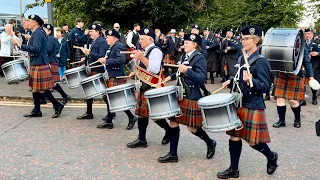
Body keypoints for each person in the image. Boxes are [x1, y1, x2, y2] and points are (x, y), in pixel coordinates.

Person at [217, 25, 278, 179]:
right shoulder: (240, 57)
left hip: (252, 104)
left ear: (256, 40)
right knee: (234, 136)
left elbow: (265, 87)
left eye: (246, 39)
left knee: (253, 142)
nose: (242, 41)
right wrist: (230, 81)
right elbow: (238, 76)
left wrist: (252, 81)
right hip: (238, 102)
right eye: (242, 38)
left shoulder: (261, 61)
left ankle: (271, 157)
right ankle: (234, 169)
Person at [158, 33, 217, 163]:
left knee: (193, 128)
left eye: (186, 43)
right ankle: (173, 154)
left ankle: (210, 142)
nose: (184, 44)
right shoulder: (185, 56)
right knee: (173, 122)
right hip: (180, 94)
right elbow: (180, 71)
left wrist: (187, 71)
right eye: (184, 42)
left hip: (191, 95)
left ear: (194, 45)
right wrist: (171, 77)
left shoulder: (199, 58)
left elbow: (201, 78)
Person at [127, 28, 171, 148]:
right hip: (144, 86)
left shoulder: (155, 51)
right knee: (142, 114)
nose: (140, 41)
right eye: (140, 39)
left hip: (152, 87)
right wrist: (135, 72)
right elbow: (144, 68)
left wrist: (141, 58)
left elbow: (154, 69)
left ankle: (169, 131)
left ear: (150, 39)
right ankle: (142, 139)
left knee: (156, 116)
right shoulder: (145, 50)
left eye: (142, 39)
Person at [15, 14, 64, 118]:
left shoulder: (37, 33)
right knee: (35, 88)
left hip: (39, 62)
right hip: (37, 62)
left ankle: (57, 105)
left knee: (42, 88)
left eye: (29, 20)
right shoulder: (38, 32)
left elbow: (36, 49)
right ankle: (37, 110)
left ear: (35, 22)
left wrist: (20, 45)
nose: (28, 22)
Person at [96, 29, 137, 130]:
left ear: (113, 38)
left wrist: (106, 61)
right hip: (112, 75)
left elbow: (121, 60)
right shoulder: (113, 46)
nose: (106, 39)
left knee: (119, 100)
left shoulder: (118, 46)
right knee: (110, 99)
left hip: (117, 76)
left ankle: (132, 117)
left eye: (108, 37)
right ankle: (109, 121)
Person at [272, 40, 315, 128]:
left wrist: (311, 76)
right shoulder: (280, 47)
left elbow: (307, 62)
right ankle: (281, 121)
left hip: (295, 75)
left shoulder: (302, 48)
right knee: (280, 99)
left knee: (293, 100)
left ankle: (297, 119)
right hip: (281, 74)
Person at [76, 24, 109, 120]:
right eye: (89, 31)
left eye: (92, 31)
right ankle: (89, 112)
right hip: (92, 68)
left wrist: (89, 53)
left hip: (98, 69)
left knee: (103, 93)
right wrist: (85, 57)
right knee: (89, 91)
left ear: (98, 32)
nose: (90, 33)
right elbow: (92, 55)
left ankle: (111, 113)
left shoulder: (102, 42)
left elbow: (101, 56)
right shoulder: (93, 41)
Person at [43, 24, 71, 105]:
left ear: (49, 31)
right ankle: (64, 96)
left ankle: (63, 97)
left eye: (45, 29)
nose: (43, 31)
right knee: (49, 82)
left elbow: (48, 50)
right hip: (51, 61)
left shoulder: (50, 39)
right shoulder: (49, 38)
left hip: (51, 61)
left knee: (50, 82)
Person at [305, 28, 320, 105]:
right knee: (302, 81)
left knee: (314, 81)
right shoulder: (302, 43)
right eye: (306, 34)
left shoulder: (317, 42)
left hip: (315, 65)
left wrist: (317, 54)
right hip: (304, 65)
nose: (308, 36)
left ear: (312, 34)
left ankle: (314, 96)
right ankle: (302, 99)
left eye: (309, 34)